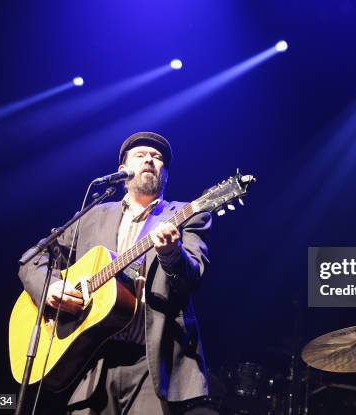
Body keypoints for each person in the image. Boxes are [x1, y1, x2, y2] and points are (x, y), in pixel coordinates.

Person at [18, 132, 213, 415]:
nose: (149, 159)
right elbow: (32, 258)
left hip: (152, 364)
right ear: (122, 171)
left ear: (165, 174)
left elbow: (191, 277)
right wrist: (50, 289)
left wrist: (171, 253)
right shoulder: (93, 215)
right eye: (141, 155)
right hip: (91, 362)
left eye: (157, 158)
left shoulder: (186, 214)